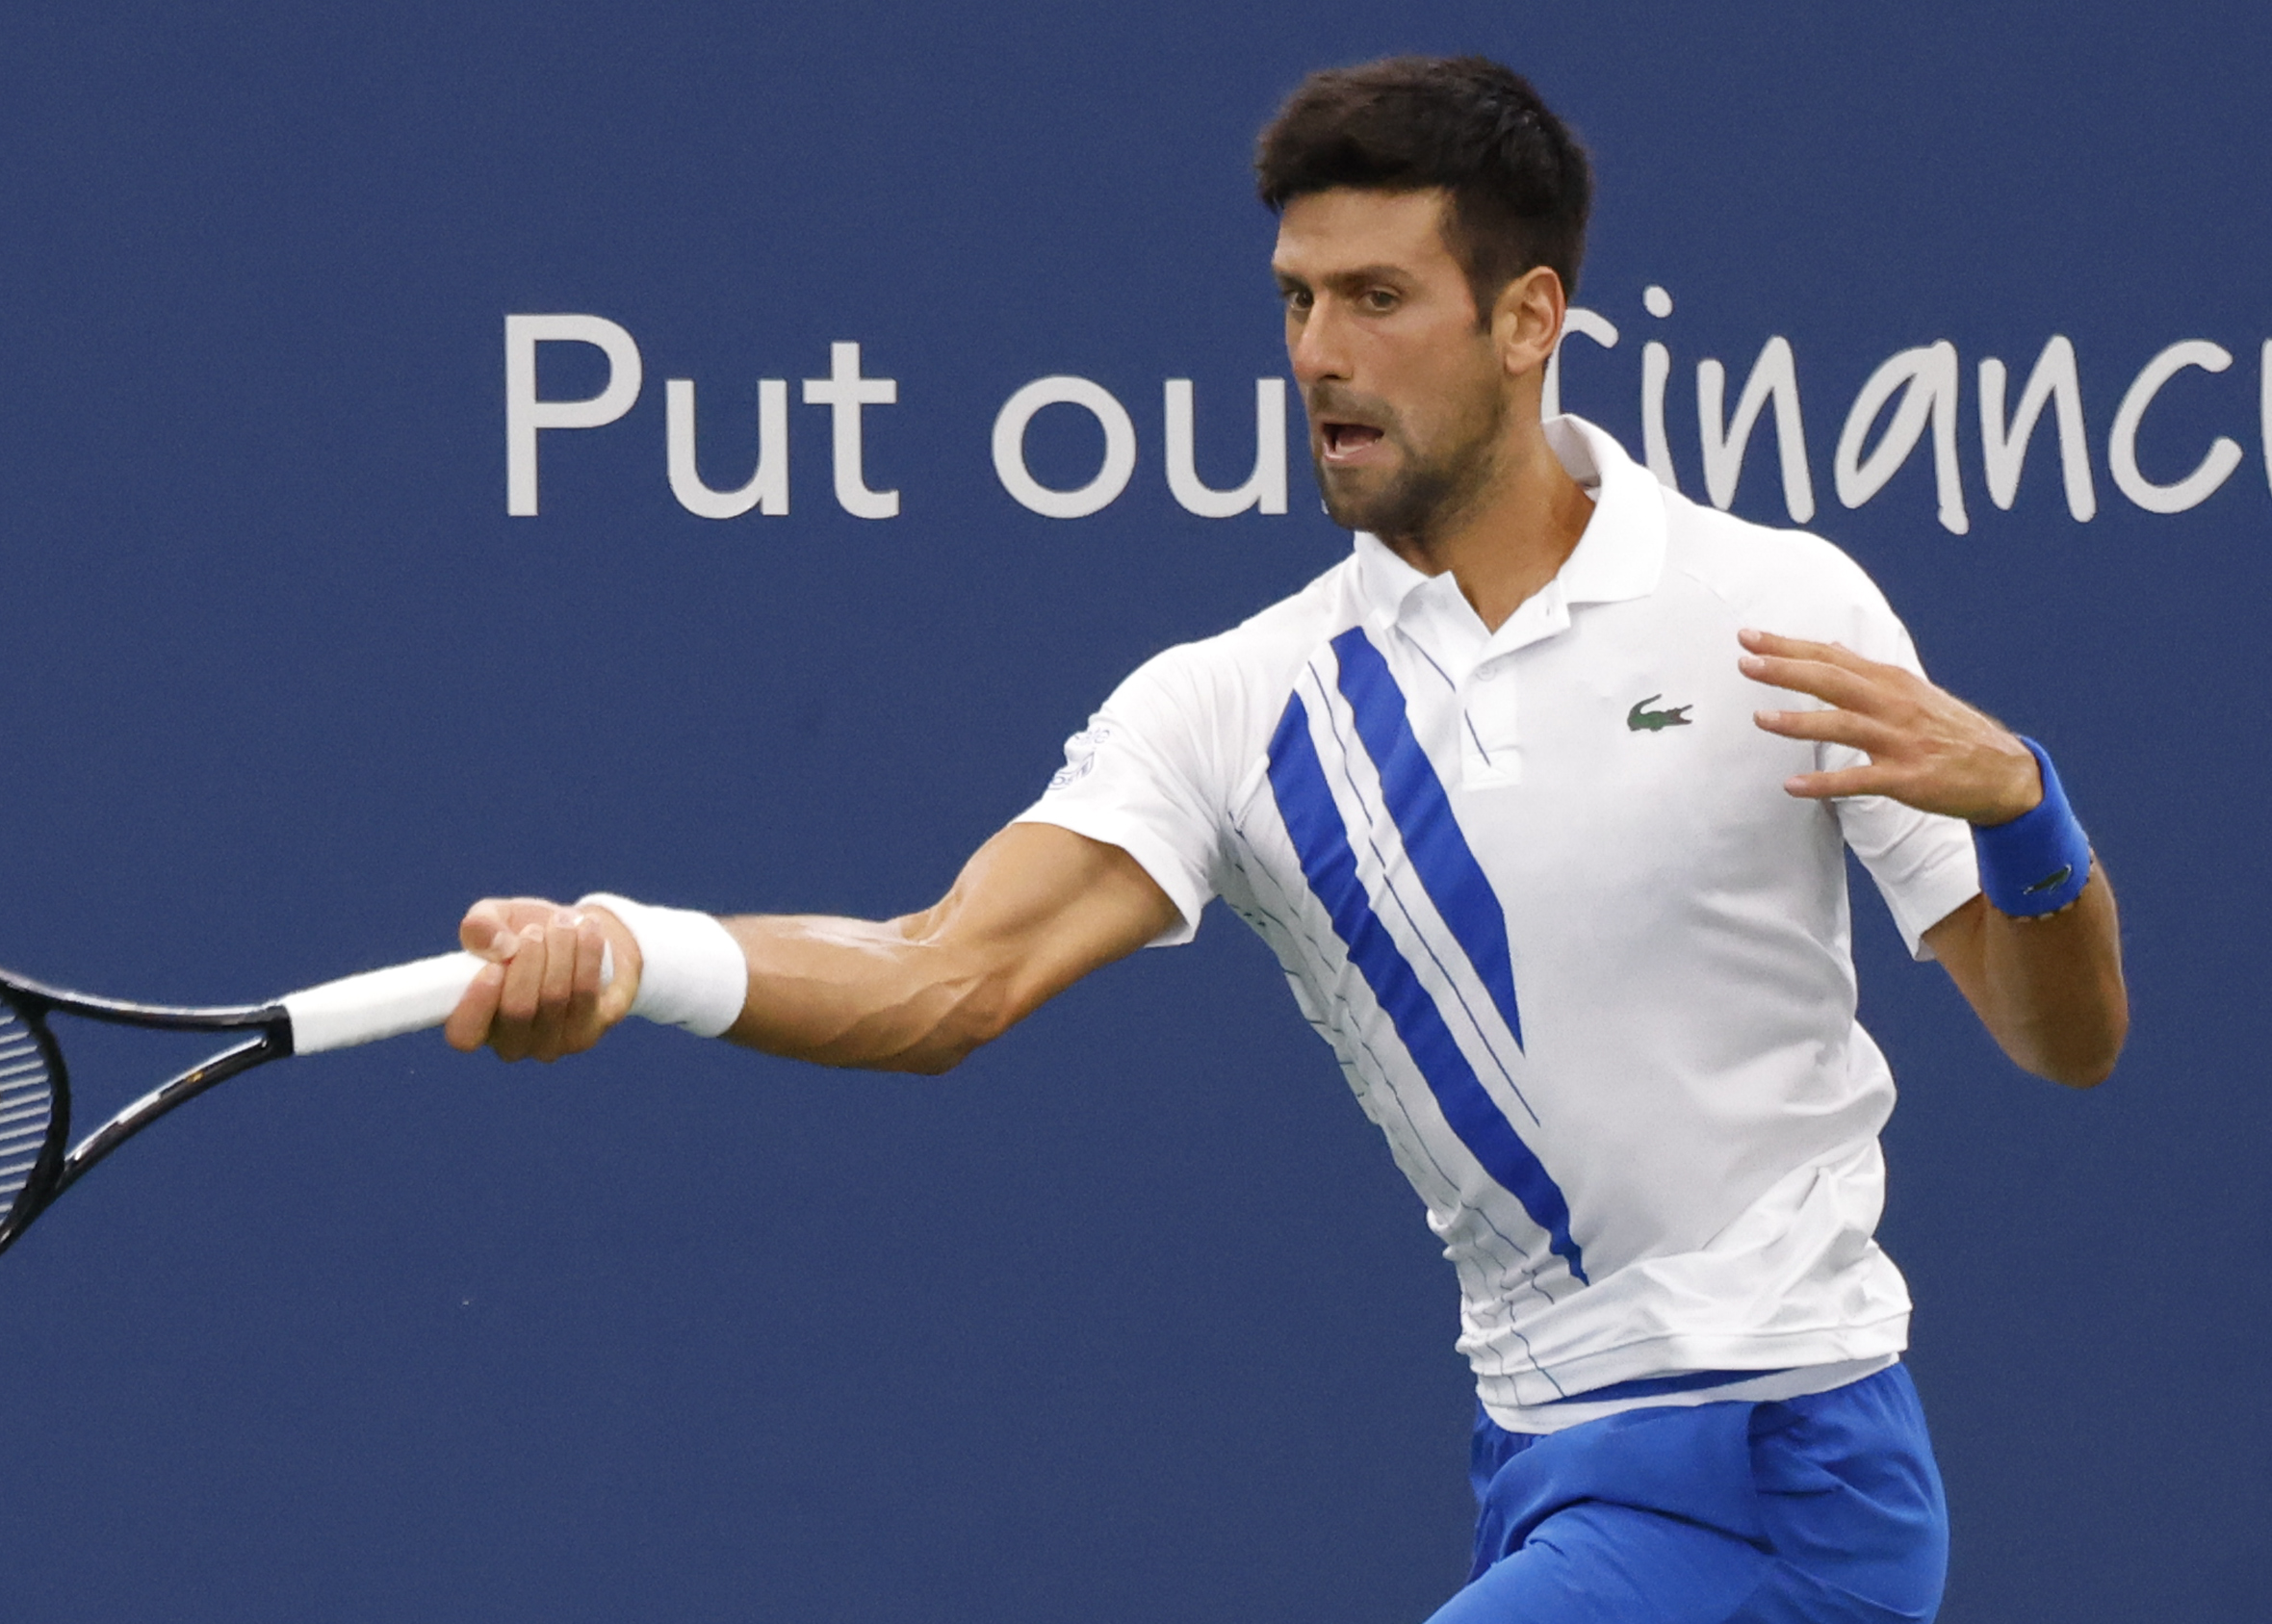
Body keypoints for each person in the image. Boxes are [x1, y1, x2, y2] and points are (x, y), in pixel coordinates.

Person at [439, 55, 2128, 1624]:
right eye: (1298, 302)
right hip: (1542, 1470)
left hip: (1782, 1470)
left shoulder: (1778, 608)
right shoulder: (1237, 705)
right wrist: (637, 952)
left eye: (1378, 299)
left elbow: (2066, 1045)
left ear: (1530, 318)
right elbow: (944, 978)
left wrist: (2031, 826)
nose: (1319, 351)